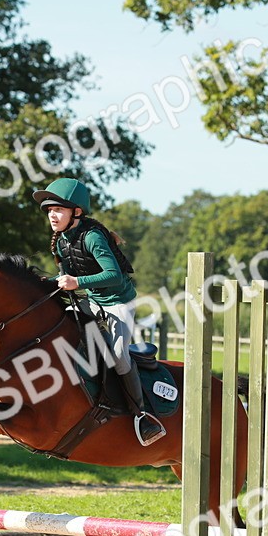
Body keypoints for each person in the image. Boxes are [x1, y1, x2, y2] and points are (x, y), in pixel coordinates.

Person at [31, 177, 166, 446]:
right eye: (49, 210)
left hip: (118, 302)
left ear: (76, 212)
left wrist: (77, 282)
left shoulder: (92, 237)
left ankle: (142, 415)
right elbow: (65, 276)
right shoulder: (61, 241)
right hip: (90, 301)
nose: (52, 215)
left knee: (118, 356)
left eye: (58, 209)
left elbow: (113, 275)